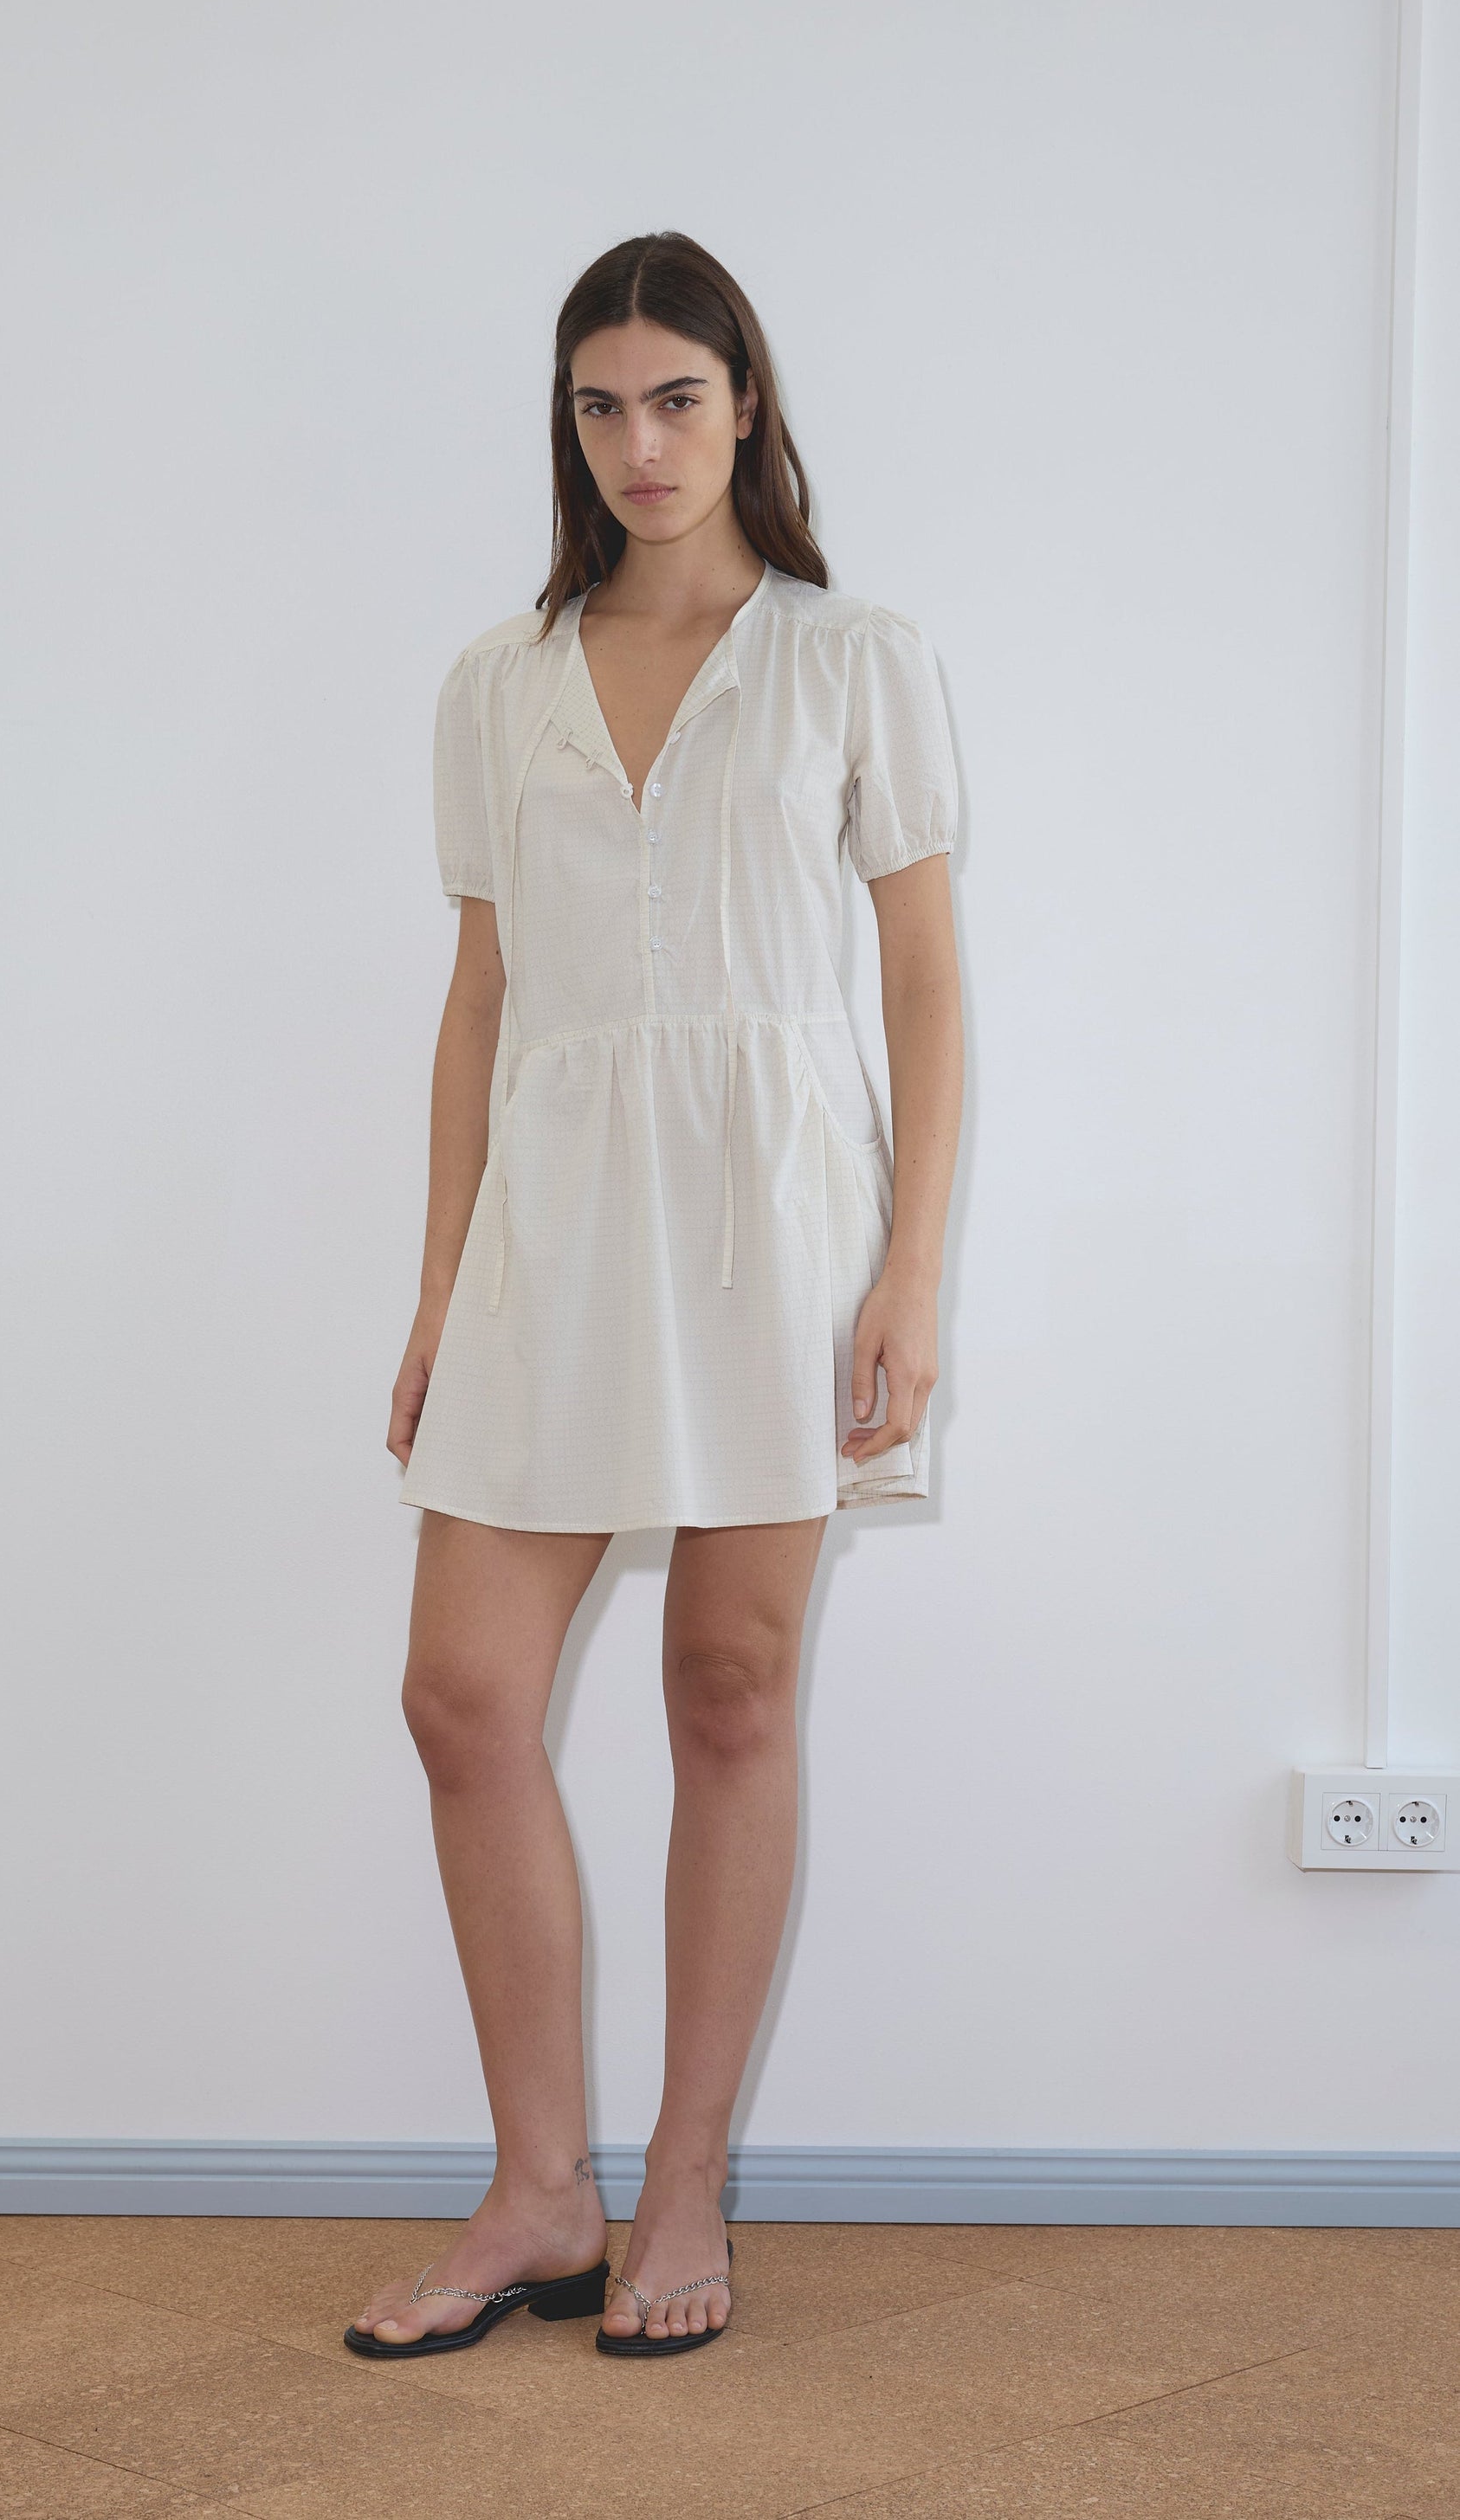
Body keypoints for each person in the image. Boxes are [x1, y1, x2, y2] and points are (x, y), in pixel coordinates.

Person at [346, 230, 963, 2361]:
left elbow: (926, 985)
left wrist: (912, 1270)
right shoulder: (492, 683)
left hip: (777, 1229)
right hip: (556, 1226)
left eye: (676, 400)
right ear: (568, 426)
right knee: (461, 1695)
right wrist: (438, 1287)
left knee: (729, 1686)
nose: (640, 444)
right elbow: (476, 1003)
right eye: (601, 406)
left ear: (747, 405)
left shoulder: (851, 654)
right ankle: (539, 2188)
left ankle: (683, 2170)